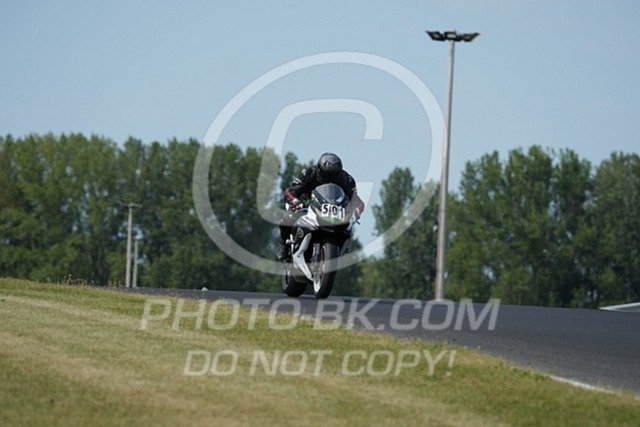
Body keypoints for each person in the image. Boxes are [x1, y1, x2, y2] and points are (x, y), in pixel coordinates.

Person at [277, 152, 365, 261]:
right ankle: (284, 248)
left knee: (348, 226)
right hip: (308, 202)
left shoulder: (347, 179)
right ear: (319, 170)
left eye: (334, 176)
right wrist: (295, 201)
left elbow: (357, 201)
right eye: (327, 175)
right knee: (288, 217)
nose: (330, 179)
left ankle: (341, 247)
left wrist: (356, 211)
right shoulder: (308, 173)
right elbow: (290, 191)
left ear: (339, 173)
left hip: (335, 210)